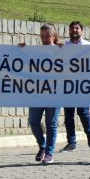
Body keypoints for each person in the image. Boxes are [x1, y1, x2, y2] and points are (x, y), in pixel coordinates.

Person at [26, 23, 62, 164]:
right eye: (43, 36)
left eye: (48, 36)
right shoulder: (35, 51)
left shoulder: (61, 50)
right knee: (34, 122)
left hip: (55, 93)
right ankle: (42, 145)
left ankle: (49, 153)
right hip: (37, 93)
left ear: (54, 36)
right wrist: (20, 49)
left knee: (51, 124)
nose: (45, 39)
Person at [61, 21, 90, 152]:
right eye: (72, 29)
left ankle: (89, 133)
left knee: (83, 112)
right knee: (68, 115)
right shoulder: (64, 45)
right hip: (68, 85)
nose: (74, 30)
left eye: (77, 28)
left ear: (82, 31)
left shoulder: (88, 45)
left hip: (82, 85)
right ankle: (71, 142)